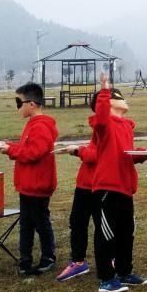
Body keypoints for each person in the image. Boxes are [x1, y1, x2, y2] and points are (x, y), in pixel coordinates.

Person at [91, 71, 147, 292]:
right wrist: (104, 89)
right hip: (107, 187)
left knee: (127, 232)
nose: (126, 100)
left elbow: (125, 154)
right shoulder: (104, 124)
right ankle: (106, 279)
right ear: (110, 102)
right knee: (106, 234)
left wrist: (142, 154)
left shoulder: (125, 126)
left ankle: (125, 272)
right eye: (120, 96)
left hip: (126, 186)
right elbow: (101, 116)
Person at [0, 83, 59, 277]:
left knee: (40, 222)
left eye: (19, 102)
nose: (18, 107)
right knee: (26, 224)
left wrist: (11, 150)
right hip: (27, 185)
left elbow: (34, 152)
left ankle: (48, 257)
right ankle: (25, 260)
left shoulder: (41, 125)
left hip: (38, 185)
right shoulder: (32, 124)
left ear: (31, 104)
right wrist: (8, 146)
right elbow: (27, 147)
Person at [53, 114, 98, 282]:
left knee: (103, 226)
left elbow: (97, 155)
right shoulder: (100, 129)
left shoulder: (112, 128)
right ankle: (78, 261)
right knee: (77, 222)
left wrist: (78, 150)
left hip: (101, 185)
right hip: (84, 184)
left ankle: (110, 260)